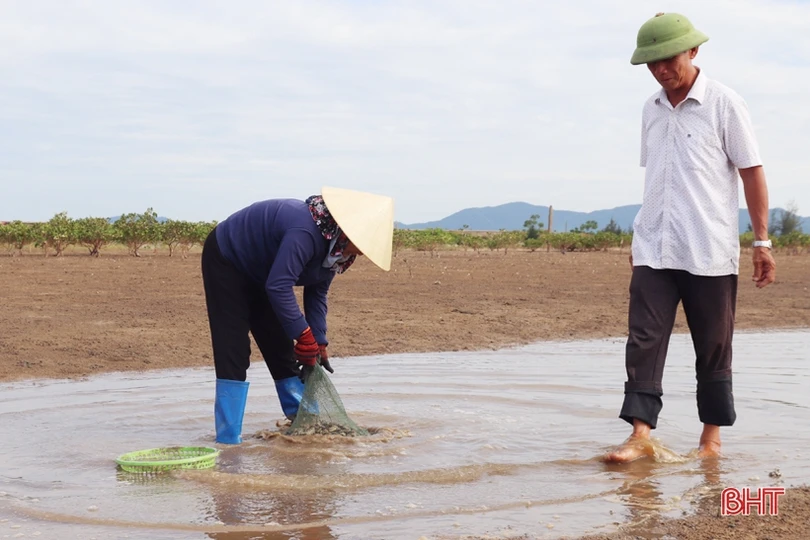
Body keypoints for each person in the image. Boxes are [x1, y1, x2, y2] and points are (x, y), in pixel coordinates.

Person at [605, 13, 777, 462]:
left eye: (668, 59)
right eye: (651, 63)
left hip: (709, 251)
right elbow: (658, 179)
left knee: (713, 345)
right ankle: (640, 435)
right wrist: (640, 237)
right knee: (642, 339)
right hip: (654, 247)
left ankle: (711, 441)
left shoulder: (724, 103)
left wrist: (762, 241)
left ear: (693, 52)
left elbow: (752, 173)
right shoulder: (651, 109)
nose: (661, 70)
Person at [201, 186, 394, 444]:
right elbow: (279, 286)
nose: (362, 253)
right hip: (228, 259)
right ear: (349, 231)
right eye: (363, 245)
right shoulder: (306, 231)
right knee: (232, 349)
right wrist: (304, 336)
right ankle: (228, 441)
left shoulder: (338, 251)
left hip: (266, 272)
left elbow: (317, 293)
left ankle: (303, 422)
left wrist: (318, 339)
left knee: (280, 348)